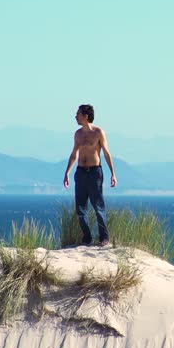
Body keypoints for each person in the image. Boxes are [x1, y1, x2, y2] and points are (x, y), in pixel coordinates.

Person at [63, 104, 117, 246]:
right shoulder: (78, 134)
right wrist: (67, 173)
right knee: (80, 208)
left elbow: (106, 153)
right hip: (80, 172)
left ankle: (104, 238)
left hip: (94, 172)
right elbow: (74, 154)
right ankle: (87, 238)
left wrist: (113, 174)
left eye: (78, 114)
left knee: (98, 207)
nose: (75, 116)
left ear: (86, 116)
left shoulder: (98, 132)